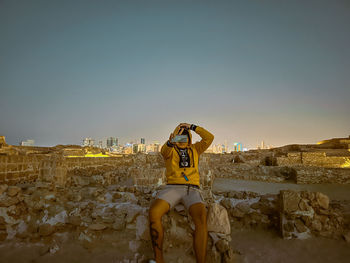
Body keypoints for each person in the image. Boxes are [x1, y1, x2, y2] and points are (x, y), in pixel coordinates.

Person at [149, 123, 214, 263]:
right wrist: (171, 142)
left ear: (189, 138)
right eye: (179, 137)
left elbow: (209, 138)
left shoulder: (196, 149)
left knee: (201, 219)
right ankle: (159, 259)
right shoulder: (170, 150)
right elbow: (164, 151)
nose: (182, 140)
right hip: (172, 187)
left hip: (192, 188)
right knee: (154, 213)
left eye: (185, 137)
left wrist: (193, 127)